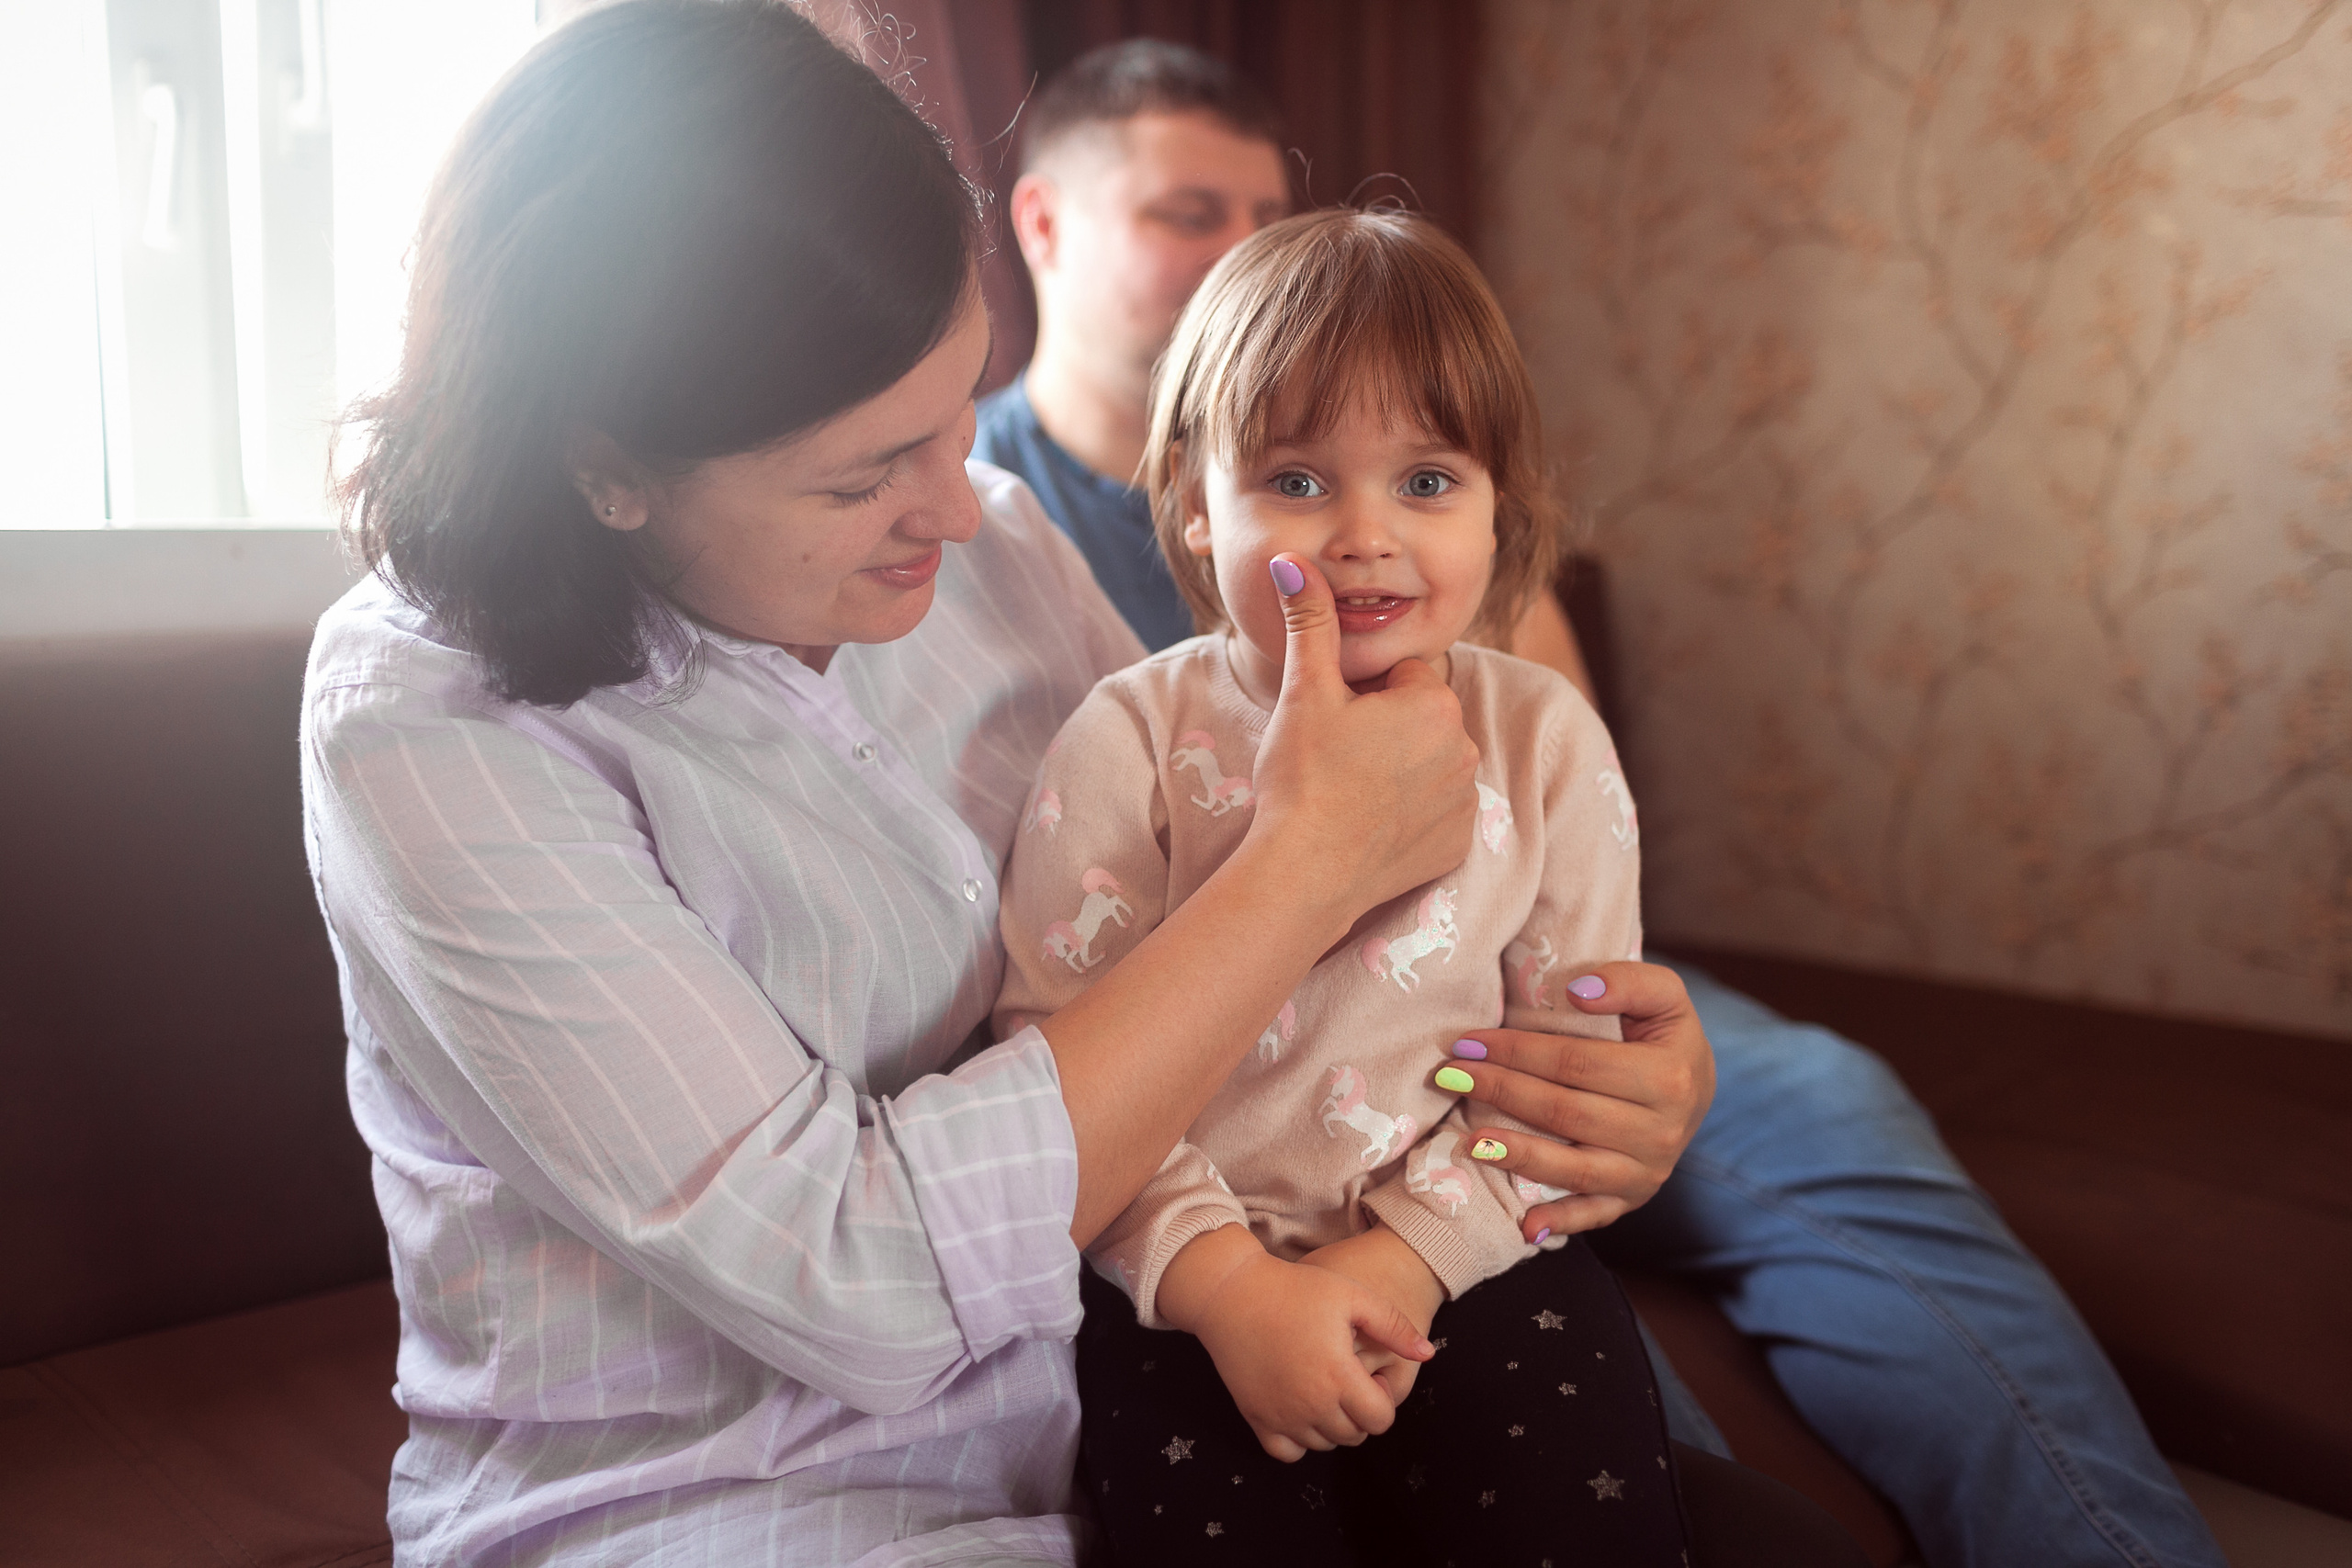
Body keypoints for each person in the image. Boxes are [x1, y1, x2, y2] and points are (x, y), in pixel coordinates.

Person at [302, 6, 1718, 1563]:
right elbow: (861, 1282)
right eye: (861, 476)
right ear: (608, 468)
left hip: (1152, 1399)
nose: (958, 512)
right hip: (757, 1506)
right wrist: (1309, 863)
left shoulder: (1000, 542)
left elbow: (1269, 935)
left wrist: (1615, 1109)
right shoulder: (432, 726)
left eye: (955, 414)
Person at [974, 38, 2227, 1568]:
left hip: (1492, 1014)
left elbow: (1550, 787)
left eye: (1261, 209)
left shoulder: (1474, 619)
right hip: (1226, 1106)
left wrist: (1630, 1099)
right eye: (1185, 210)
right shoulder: (974, 531)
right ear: (1043, 225)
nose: (1243, 249)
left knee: (1822, 1101)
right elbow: (1051, 1002)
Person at [996, 209, 1683, 1565]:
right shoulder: (1127, 740)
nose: (1368, 535)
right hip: (1189, 1293)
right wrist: (1228, 1286)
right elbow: (1048, 1058)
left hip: (1475, 1263)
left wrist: (1402, 1259)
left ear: (1500, 510)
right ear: (1200, 500)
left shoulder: (1547, 742)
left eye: (1428, 482)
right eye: (1301, 481)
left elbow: (1565, 1070)